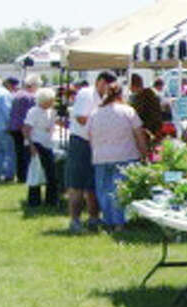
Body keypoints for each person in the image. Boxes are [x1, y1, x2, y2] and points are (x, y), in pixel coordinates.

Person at [87, 76, 149, 233]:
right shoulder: (128, 111)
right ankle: (119, 223)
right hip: (125, 156)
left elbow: (90, 136)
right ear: (121, 95)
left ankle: (108, 221)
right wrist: (144, 153)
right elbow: (139, 135)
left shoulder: (95, 113)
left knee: (104, 191)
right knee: (120, 191)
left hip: (101, 157)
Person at [65, 77, 103, 233]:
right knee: (77, 184)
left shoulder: (104, 96)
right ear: (101, 82)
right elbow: (81, 118)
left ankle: (94, 219)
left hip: (95, 143)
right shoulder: (86, 94)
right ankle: (75, 221)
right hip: (81, 142)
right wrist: (103, 121)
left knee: (93, 185)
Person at [23, 87, 60, 208]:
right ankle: (34, 201)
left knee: (51, 173)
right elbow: (26, 129)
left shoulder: (51, 112)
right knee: (36, 172)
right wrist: (31, 145)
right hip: (36, 143)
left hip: (47, 144)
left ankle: (51, 200)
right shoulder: (33, 111)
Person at [7, 75, 38, 182]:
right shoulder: (29, 97)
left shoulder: (17, 95)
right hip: (22, 128)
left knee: (19, 152)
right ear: (33, 85)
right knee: (25, 153)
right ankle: (24, 175)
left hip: (14, 127)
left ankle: (20, 175)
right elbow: (29, 115)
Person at [128, 72, 165, 140]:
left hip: (147, 133)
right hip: (150, 132)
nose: (130, 89)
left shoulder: (142, 97)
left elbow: (136, 115)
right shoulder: (150, 95)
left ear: (133, 86)